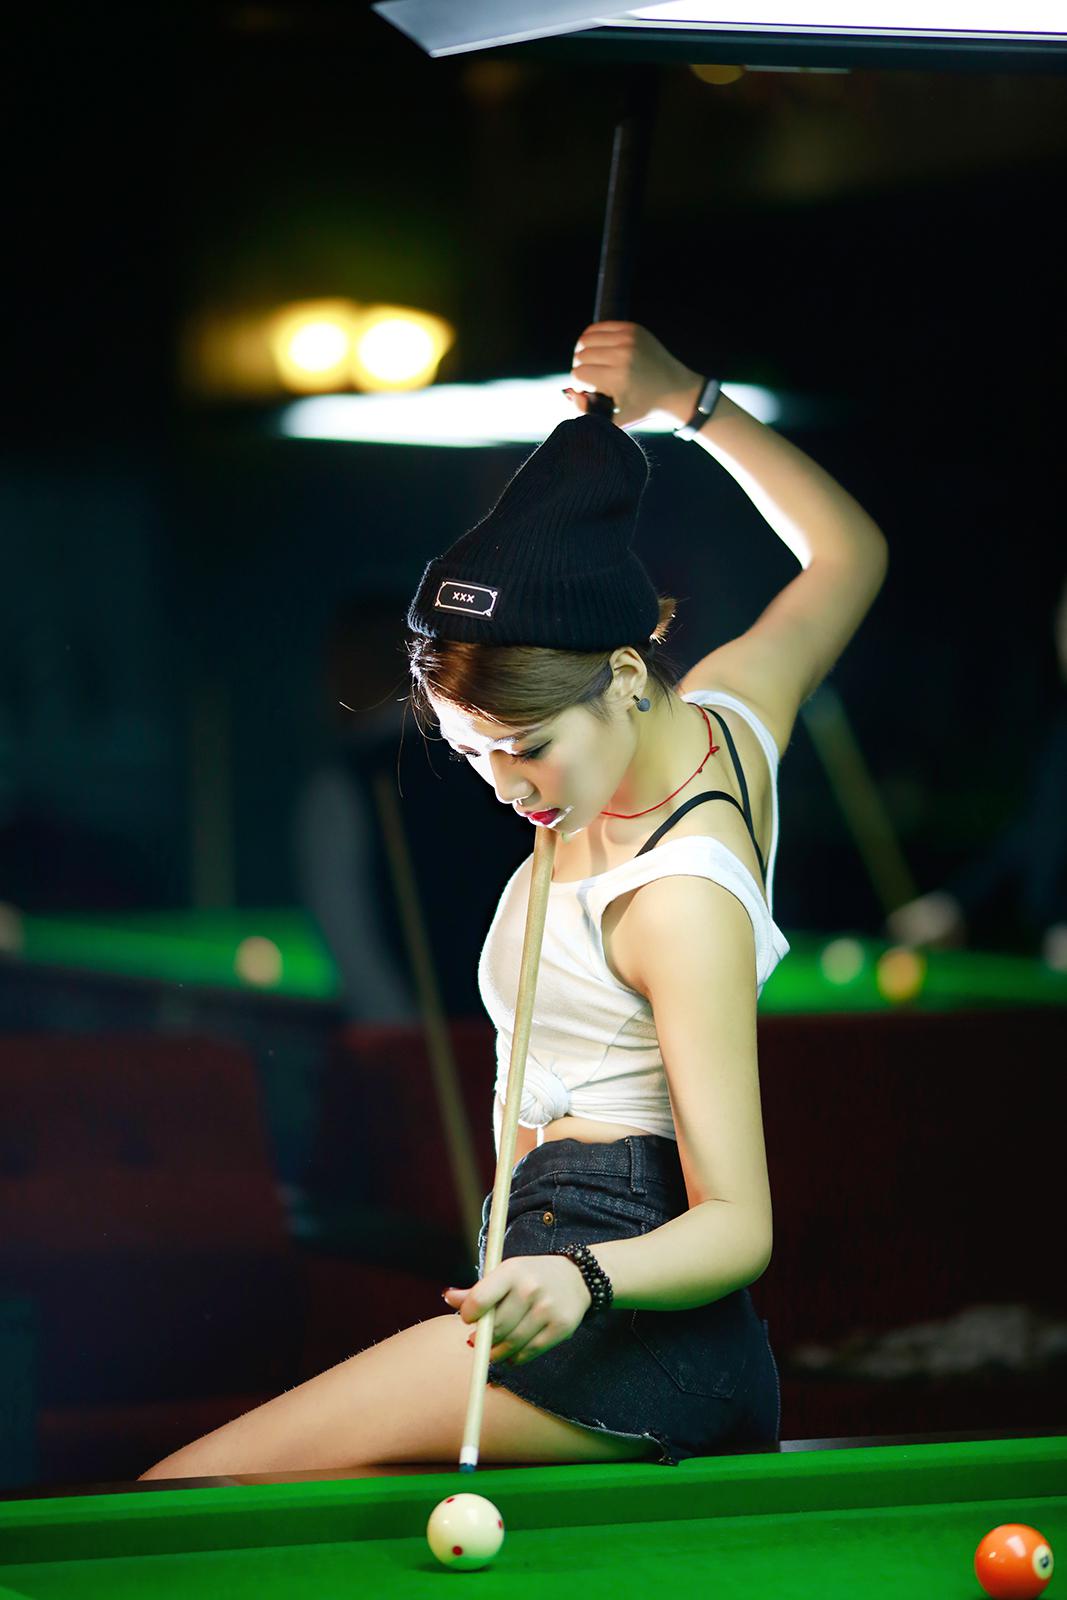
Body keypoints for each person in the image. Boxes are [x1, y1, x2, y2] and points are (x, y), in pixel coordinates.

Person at [138, 322, 888, 1478]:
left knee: (184, 1492)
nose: (505, 786)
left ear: (624, 676)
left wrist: (579, 1274)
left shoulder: (674, 898)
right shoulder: (724, 719)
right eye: (471, 753)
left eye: (527, 746)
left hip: (622, 1327)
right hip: (554, 1283)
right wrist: (686, 401)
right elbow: (846, 555)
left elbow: (739, 1227)